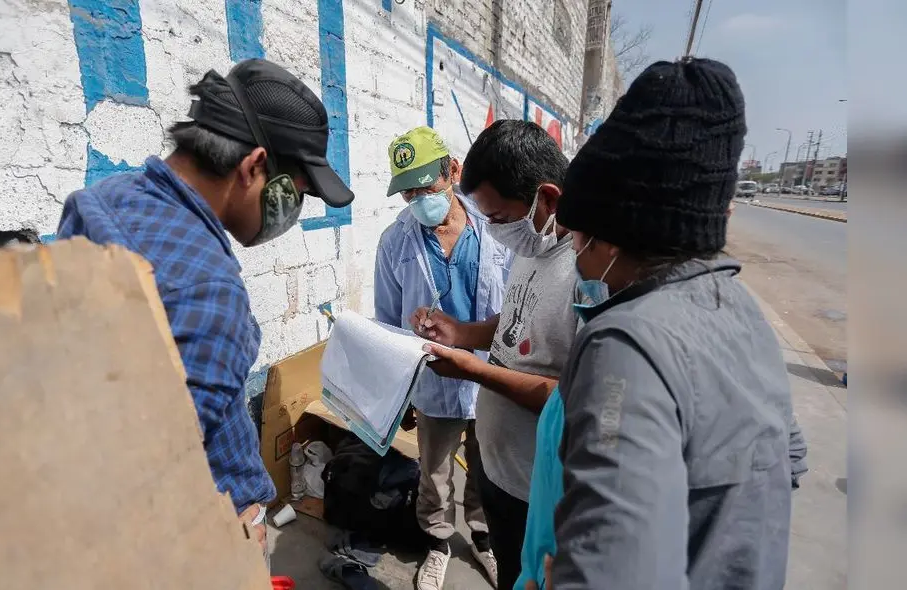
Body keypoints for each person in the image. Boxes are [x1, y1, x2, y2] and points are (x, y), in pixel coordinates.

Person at [55, 59, 354, 555]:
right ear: (255, 166)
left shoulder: (101, 200)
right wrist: (232, 540)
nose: (293, 212)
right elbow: (152, 481)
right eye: (296, 193)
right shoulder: (210, 293)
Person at [537, 57, 794, 589]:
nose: (578, 259)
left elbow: (612, 573)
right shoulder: (741, 313)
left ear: (611, 238)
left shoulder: (624, 348)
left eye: (578, 239)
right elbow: (786, 460)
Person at [410, 120, 578, 590]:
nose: (494, 231)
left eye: (500, 218)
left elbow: (576, 398)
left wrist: (477, 372)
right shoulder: (533, 243)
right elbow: (518, 321)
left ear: (546, 199)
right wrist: (462, 332)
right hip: (499, 472)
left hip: (539, 492)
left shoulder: (587, 269)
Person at [375, 126, 509, 590]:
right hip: (432, 384)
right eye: (408, 192)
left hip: (492, 378)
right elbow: (389, 322)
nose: (418, 200)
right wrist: (401, 394)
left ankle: (484, 538)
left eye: (425, 187)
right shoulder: (395, 243)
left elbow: (515, 305)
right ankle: (437, 542)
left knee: (489, 466)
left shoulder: (496, 228)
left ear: (452, 171)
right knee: (434, 473)